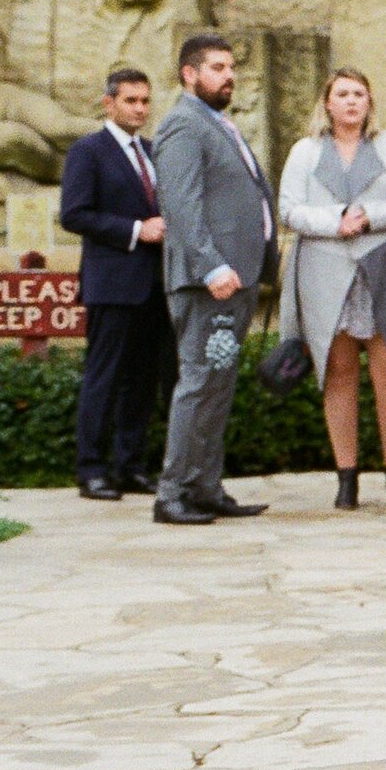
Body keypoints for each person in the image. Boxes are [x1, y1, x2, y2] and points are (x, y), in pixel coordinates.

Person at [151, 34, 273, 525]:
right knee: (200, 382)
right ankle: (173, 492)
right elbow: (181, 206)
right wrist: (212, 266)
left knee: (217, 384)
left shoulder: (216, 122)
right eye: (217, 67)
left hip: (232, 283)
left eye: (230, 66)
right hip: (210, 285)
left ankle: (204, 486)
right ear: (189, 73)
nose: (229, 75)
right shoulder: (183, 124)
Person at [278, 68, 386, 510]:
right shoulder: (305, 151)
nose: (352, 101)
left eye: (359, 94)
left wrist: (368, 216)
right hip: (326, 268)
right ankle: (347, 478)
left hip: (382, 266)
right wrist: (337, 221)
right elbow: (289, 210)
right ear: (328, 102)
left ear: (369, 102)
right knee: (338, 375)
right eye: (343, 94)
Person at [59, 67, 174, 502]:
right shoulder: (88, 151)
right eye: (131, 101)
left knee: (142, 381)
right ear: (109, 103)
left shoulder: (153, 151)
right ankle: (91, 470)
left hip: (155, 283)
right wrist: (134, 230)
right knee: (103, 377)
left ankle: (130, 466)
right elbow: (75, 214)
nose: (140, 109)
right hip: (112, 281)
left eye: (145, 101)